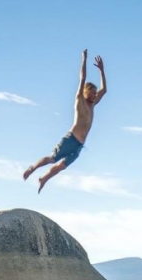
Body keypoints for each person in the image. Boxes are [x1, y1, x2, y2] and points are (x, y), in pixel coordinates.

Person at [23, 49, 107, 193]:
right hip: (71, 139)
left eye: (95, 94)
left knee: (61, 166)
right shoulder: (79, 100)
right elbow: (82, 78)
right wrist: (84, 60)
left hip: (79, 146)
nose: (95, 96)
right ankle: (32, 168)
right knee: (52, 159)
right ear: (86, 93)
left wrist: (102, 71)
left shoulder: (92, 105)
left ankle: (44, 179)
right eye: (92, 93)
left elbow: (104, 90)